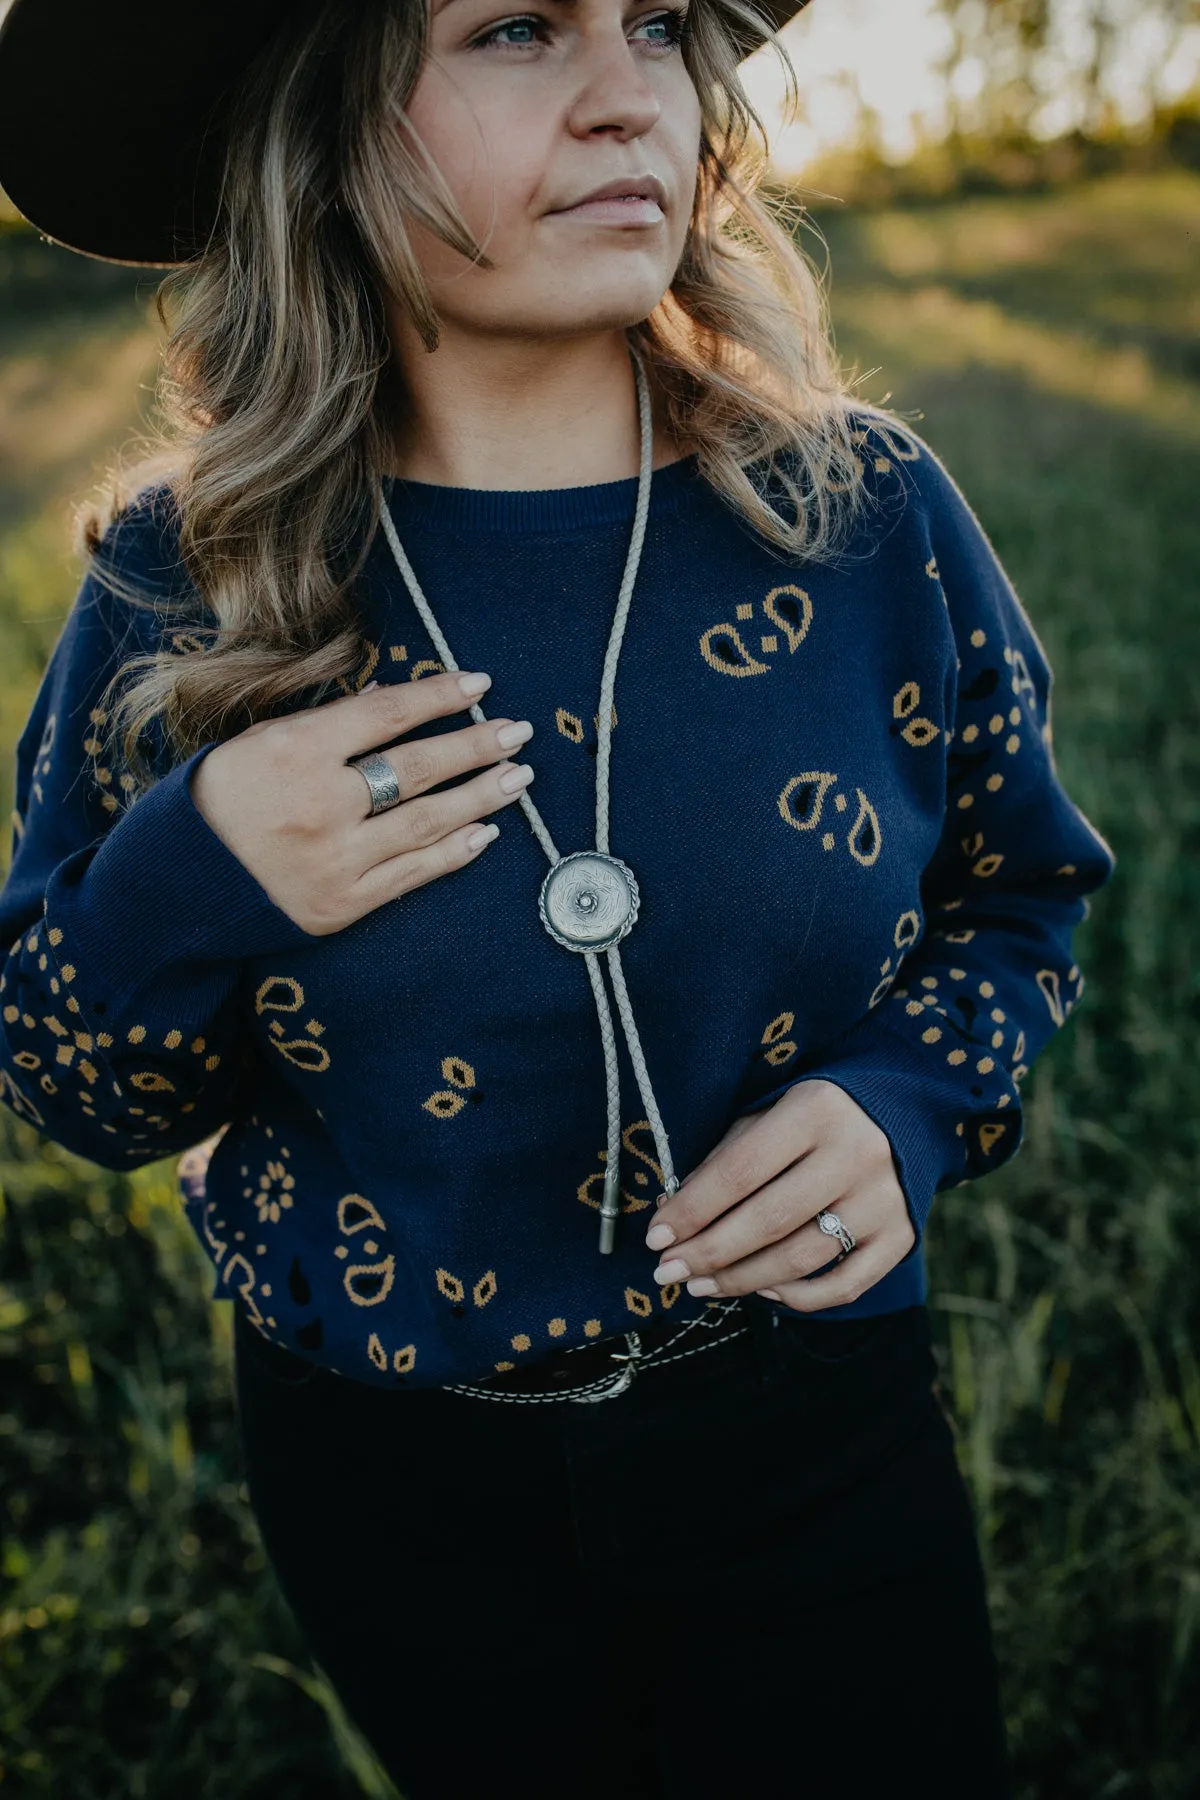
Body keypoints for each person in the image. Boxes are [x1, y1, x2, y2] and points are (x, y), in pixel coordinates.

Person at [0, 0, 1115, 1792]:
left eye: (662, 26)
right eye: (519, 30)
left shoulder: (859, 514)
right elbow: (79, 1087)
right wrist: (194, 868)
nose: (629, 99)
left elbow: (1025, 896)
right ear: (324, 141)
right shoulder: (188, 582)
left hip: (811, 1423)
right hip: (384, 1470)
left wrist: (898, 1107)